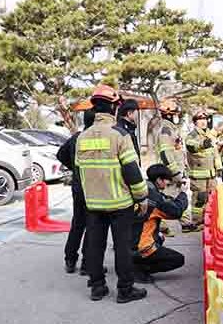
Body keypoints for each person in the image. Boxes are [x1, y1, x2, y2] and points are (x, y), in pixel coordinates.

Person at [76, 85, 149, 303]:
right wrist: (142, 197)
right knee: (122, 248)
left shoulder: (82, 137)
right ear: (114, 107)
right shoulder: (120, 135)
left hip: (94, 205)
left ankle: (97, 287)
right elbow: (131, 171)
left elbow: (80, 173)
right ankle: (125, 290)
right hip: (120, 203)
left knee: (95, 246)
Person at [132, 164, 188, 283]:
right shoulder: (155, 199)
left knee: (160, 237)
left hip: (126, 243)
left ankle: (131, 261)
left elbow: (165, 200)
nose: (167, 186)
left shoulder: (142, 189)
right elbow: (176, 211)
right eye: (167, 183)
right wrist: (183, 194)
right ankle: (137, 269)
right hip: (141, 246)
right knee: (178, 259)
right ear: (159, 180)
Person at [57, 109, 96, 275]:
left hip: (78, 187)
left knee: (78, 224)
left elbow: (60, 154)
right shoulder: (95, 139)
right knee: (93, 225)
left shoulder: (76, 137)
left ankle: (70, 260)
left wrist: (73, 167)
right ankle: (87, 264)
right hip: (93, 187)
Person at [154, 99, 195, 232]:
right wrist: (175, 173)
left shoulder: (171, 129)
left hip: (175, 170)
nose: (179, 117)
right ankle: (161, 226)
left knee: (179, 195)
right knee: (168, 198)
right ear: (170, 114)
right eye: (177, 114)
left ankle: (186, 224)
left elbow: (176, 151)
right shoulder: (166, 130)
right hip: (170, 172)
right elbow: (166, 153)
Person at [185, 109, 222, 227]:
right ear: (195, 122)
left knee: (211, 199)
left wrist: (219, 167)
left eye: (205, 119)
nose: (203, 122)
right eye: (200, 120)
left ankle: (209, 221)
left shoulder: (209, 134)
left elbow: (214, 152)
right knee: (199, 200)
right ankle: (196, 222)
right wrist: (202, 144)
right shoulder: (192, 135)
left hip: (211, 175)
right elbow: (191, 146)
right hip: (198, 176)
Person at [117, 99, 141, 164]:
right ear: (129, 113)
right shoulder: (123, 131)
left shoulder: (129, 128)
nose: (138, 117)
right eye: (137, 114)